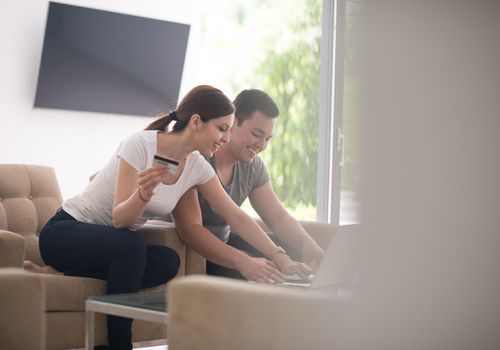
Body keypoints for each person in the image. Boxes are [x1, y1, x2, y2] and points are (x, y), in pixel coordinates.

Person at [27, 85, 307, 350]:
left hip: (108, 250)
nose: (224, 138)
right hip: (65, 232)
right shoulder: (140, 144)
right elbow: (120, 220)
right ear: (196, 122)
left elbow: (237, 217)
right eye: (221, 128)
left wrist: (278, 255)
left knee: (167, 262)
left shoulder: (196, 165)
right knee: (131, 246)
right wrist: (143, 195)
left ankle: (63, 272)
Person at [174, 89, 324, 281]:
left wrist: (307, 245)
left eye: (267, 139)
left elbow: (278, 217)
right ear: (232, 121)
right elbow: (191, 229)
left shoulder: (252, 166)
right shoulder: (198, 158)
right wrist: (247, 260)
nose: (261, 145)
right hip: (201, 251)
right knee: (265, 270)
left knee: (291, 248)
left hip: (227, 239)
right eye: (256, 134)